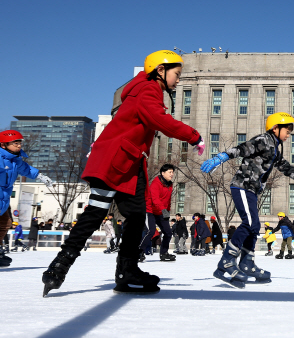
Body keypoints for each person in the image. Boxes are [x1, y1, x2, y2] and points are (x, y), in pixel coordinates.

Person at [42, 50, 204, 297]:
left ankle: (125, 270)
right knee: (97, 213)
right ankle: (59, 267)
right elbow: (159, 120)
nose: (178, 80)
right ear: (160, 70)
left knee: (136, 217)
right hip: (115, 162)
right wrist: (194, 136)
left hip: (129, 164)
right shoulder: (148, 90)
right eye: (176, 74)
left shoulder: (146, 90)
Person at [201, 112, 294, 288]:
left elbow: (285, 167)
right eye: (287, 130)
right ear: (275, 128)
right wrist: (222, 157)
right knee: (249, 222)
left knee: (255, 226)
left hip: (251, 190)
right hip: (242, 186)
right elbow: (242, 148)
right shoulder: (263, 140)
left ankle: (247, 263)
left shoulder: (274, 149)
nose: (289, 134)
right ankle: (226, 261)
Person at [0, 130, 53, 266]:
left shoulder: (15, 161)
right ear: (3, 145)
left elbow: (27, 170)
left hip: (3, 200)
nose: (19, 146)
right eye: (15, 143)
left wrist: (40, 176)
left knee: (5, 223)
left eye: (20, 143)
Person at [140, 164, 175, 262]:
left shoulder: (170, 184)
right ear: (163, 173)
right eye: (170, 172)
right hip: (150, 210)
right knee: (150, 231)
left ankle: (164, 253)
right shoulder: (156, 183)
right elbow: (155, 199)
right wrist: (164, 210)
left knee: (168, 233)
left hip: (161, 212)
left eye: (172, 172)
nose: (172, 174)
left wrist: (167, 210)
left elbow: (168, 200)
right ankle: (139, 252)